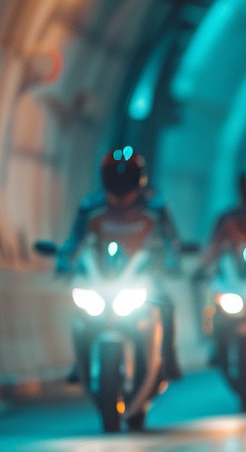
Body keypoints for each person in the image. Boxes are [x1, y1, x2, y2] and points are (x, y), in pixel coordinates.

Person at [58, 147, 183, 380]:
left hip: (141, 275)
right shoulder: (91, 207)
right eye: (115, 175)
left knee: (164, 304)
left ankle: (168, 358)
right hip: (102, 276)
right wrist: (64, 260)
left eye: (126, 176)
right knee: (79, 313)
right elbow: (75, 240)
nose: (121, 182)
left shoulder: (155, 207)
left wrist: (171, 260)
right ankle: (80, 362)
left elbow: (170, 240)